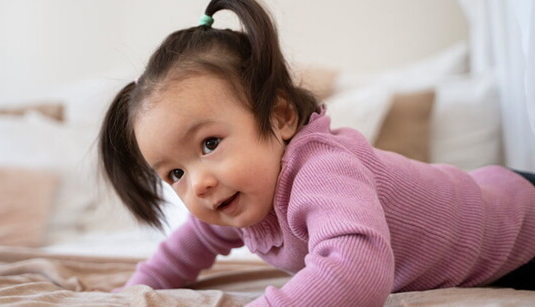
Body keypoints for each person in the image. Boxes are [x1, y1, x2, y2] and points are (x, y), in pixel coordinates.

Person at [98, 0, 535, 305]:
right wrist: (134, 293)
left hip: (518, 227)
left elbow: (357, 270)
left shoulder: (320, 169)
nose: (199, 183)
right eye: (174, 173)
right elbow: (183, 250)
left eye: (210, 144)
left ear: (281, 116)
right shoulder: (235, 195)